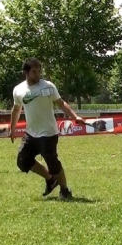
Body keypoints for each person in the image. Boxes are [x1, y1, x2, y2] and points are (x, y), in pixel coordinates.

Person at [9, 57, 85, 200]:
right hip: (31, 133)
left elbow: (61, 103)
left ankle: (64, 190)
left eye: (39, 71)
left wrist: (75, 117)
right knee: (23, 161)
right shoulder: (18, 90)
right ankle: (51, 180)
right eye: (34, 72)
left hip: (49, 133)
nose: (37, 74)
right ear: (26, 72)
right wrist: (12, 129)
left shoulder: (48, 86)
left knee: (53, 164)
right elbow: (16, 109)